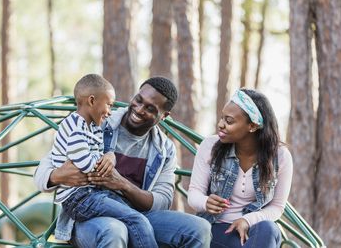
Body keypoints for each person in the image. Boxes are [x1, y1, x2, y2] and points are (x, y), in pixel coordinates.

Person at [34, 76, 212, 248]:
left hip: (138, 216)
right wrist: (57, 176)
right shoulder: (99, 121)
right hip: (91, 218)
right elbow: (43, 171)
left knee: (199, 229)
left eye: (150, 109)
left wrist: (122, 184)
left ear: (164, 116)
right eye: (139, 100)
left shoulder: (164, 149)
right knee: (115, 231)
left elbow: (162, 201)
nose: (139, 109)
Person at [50, 74, 159, 248]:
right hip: (79, 199)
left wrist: (110, 156)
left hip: (92, 194)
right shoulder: (76, 128)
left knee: (134, 216)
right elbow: (86, 165)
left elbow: (98, 154)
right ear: (92, 101)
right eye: (108, 104)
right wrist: (105, 163)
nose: (109, 111)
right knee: (137, 220)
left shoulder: (91, 127)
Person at [188, 88, 293, 248]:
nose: (221, 125)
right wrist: (205, 202)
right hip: (217, 229)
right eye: (222, 118)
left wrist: (247, 220)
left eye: (229, 121)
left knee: (269, 229)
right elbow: (194, 193)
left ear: (252, 126)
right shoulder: (210, 146)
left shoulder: (280, 156)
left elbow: (277, 207)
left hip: (254, 229)